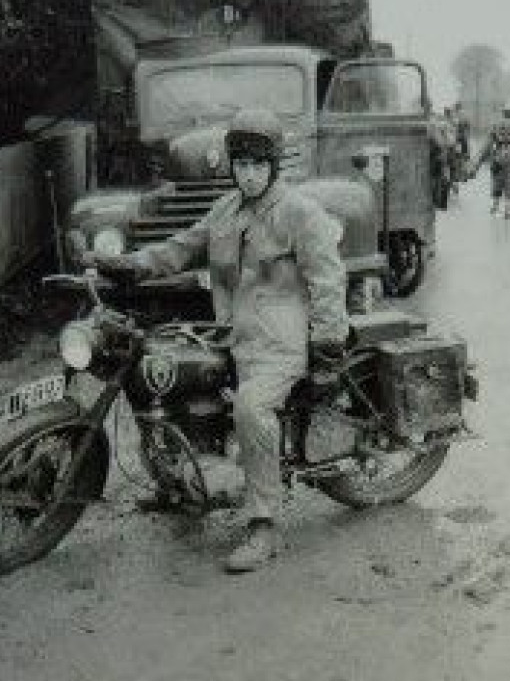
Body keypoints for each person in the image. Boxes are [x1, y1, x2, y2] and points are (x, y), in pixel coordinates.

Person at [85, 108, 350, 574]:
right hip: (235, 334)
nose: (248, 176)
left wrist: (329, 343)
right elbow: (180, 248)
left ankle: (264, 524)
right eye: (241, 166)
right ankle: (187, 477)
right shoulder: (226, 210)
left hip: (280, 344)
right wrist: (129, 264)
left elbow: (328, 279)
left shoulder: (300, 213)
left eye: (257, 166)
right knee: (176, 374)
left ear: (273, 165)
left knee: (250, 407)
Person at [475, 105, 510, 218]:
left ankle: (495, 206)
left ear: (504, 113)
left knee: (497, 180)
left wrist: (484, 158)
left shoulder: (496, 125)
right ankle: (507, 210)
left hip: (499, 154)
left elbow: (489, 142)